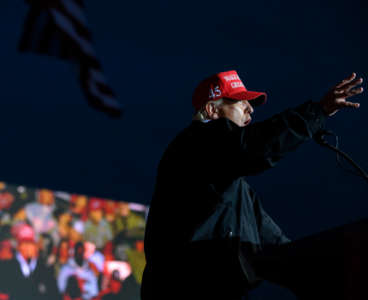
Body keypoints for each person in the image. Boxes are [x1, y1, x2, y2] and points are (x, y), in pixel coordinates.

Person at [140, 70, 364, 300]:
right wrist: (317, 111)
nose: (251, 110)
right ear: (211, 110)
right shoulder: (194, 143)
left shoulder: (236, 189)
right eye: (239, 103)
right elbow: (255, 146)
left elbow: (277, 249)